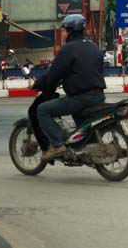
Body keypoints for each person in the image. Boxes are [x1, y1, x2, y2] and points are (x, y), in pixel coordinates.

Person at [33, 14, 106, 162]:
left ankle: (58, 145)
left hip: (81, 99)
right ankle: (81, 147)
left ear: (70, 31)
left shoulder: (68, 49)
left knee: (42, 110)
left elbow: (53, 75)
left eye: (64, 31)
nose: (62, 34)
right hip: (98, 95)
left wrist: (38, 84)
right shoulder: (93, 46)